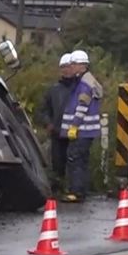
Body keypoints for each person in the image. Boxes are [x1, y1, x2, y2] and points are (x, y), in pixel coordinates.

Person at [61, 49, 103, 203]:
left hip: (82, 131)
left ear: (81, 65)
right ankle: (80, 190)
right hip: (86, 131)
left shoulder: (84, 83)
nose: (70, 67)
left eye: (73, 64)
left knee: (75, 159)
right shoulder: (85, 80)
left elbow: (82, 106)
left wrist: (74, 126)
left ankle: (76, 192)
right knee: (81, 160)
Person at [37, 52, 76, 191]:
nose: (66, 70)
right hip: (57, 133)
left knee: (73, 163)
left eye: (69, 66)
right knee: (57, 164)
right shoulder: (53, 90)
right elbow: (42, 110)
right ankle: (57, 190)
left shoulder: (79, 89)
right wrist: (48, 124)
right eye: (63, 67)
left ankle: (73, 189)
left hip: (74, 134)